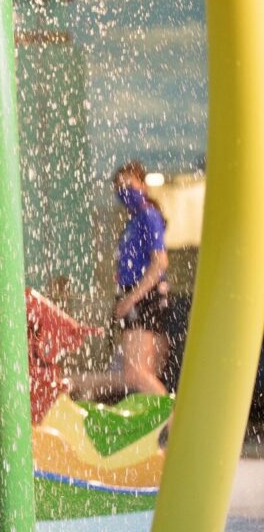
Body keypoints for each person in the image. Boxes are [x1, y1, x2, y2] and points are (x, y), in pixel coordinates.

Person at [113, 160, 170, 396]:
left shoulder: (148, 216)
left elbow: (160, 263)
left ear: (143, 185)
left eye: (129, 183)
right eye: (119, 186)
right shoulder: (134, 221)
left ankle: (174, 425)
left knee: (136, 374)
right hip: (138, 296)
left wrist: (131, 300)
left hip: (143, 298)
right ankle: (163, 427)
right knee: (141, 375)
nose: (124, 190)